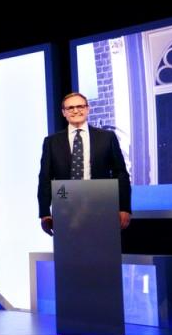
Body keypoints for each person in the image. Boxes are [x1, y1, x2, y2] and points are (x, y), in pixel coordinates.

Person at [37, 92, 131, 235]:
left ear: (88, 109)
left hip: (102, 206)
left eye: (80, 106)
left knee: (103, 253)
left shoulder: (107, 137)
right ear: (64, 113)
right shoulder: (51, 142)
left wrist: (124, 207)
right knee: (70, 255)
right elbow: (45, 178)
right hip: (65, 208)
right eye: (70, 108)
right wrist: (44, 212)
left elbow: (121, 173)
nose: (76, 110)